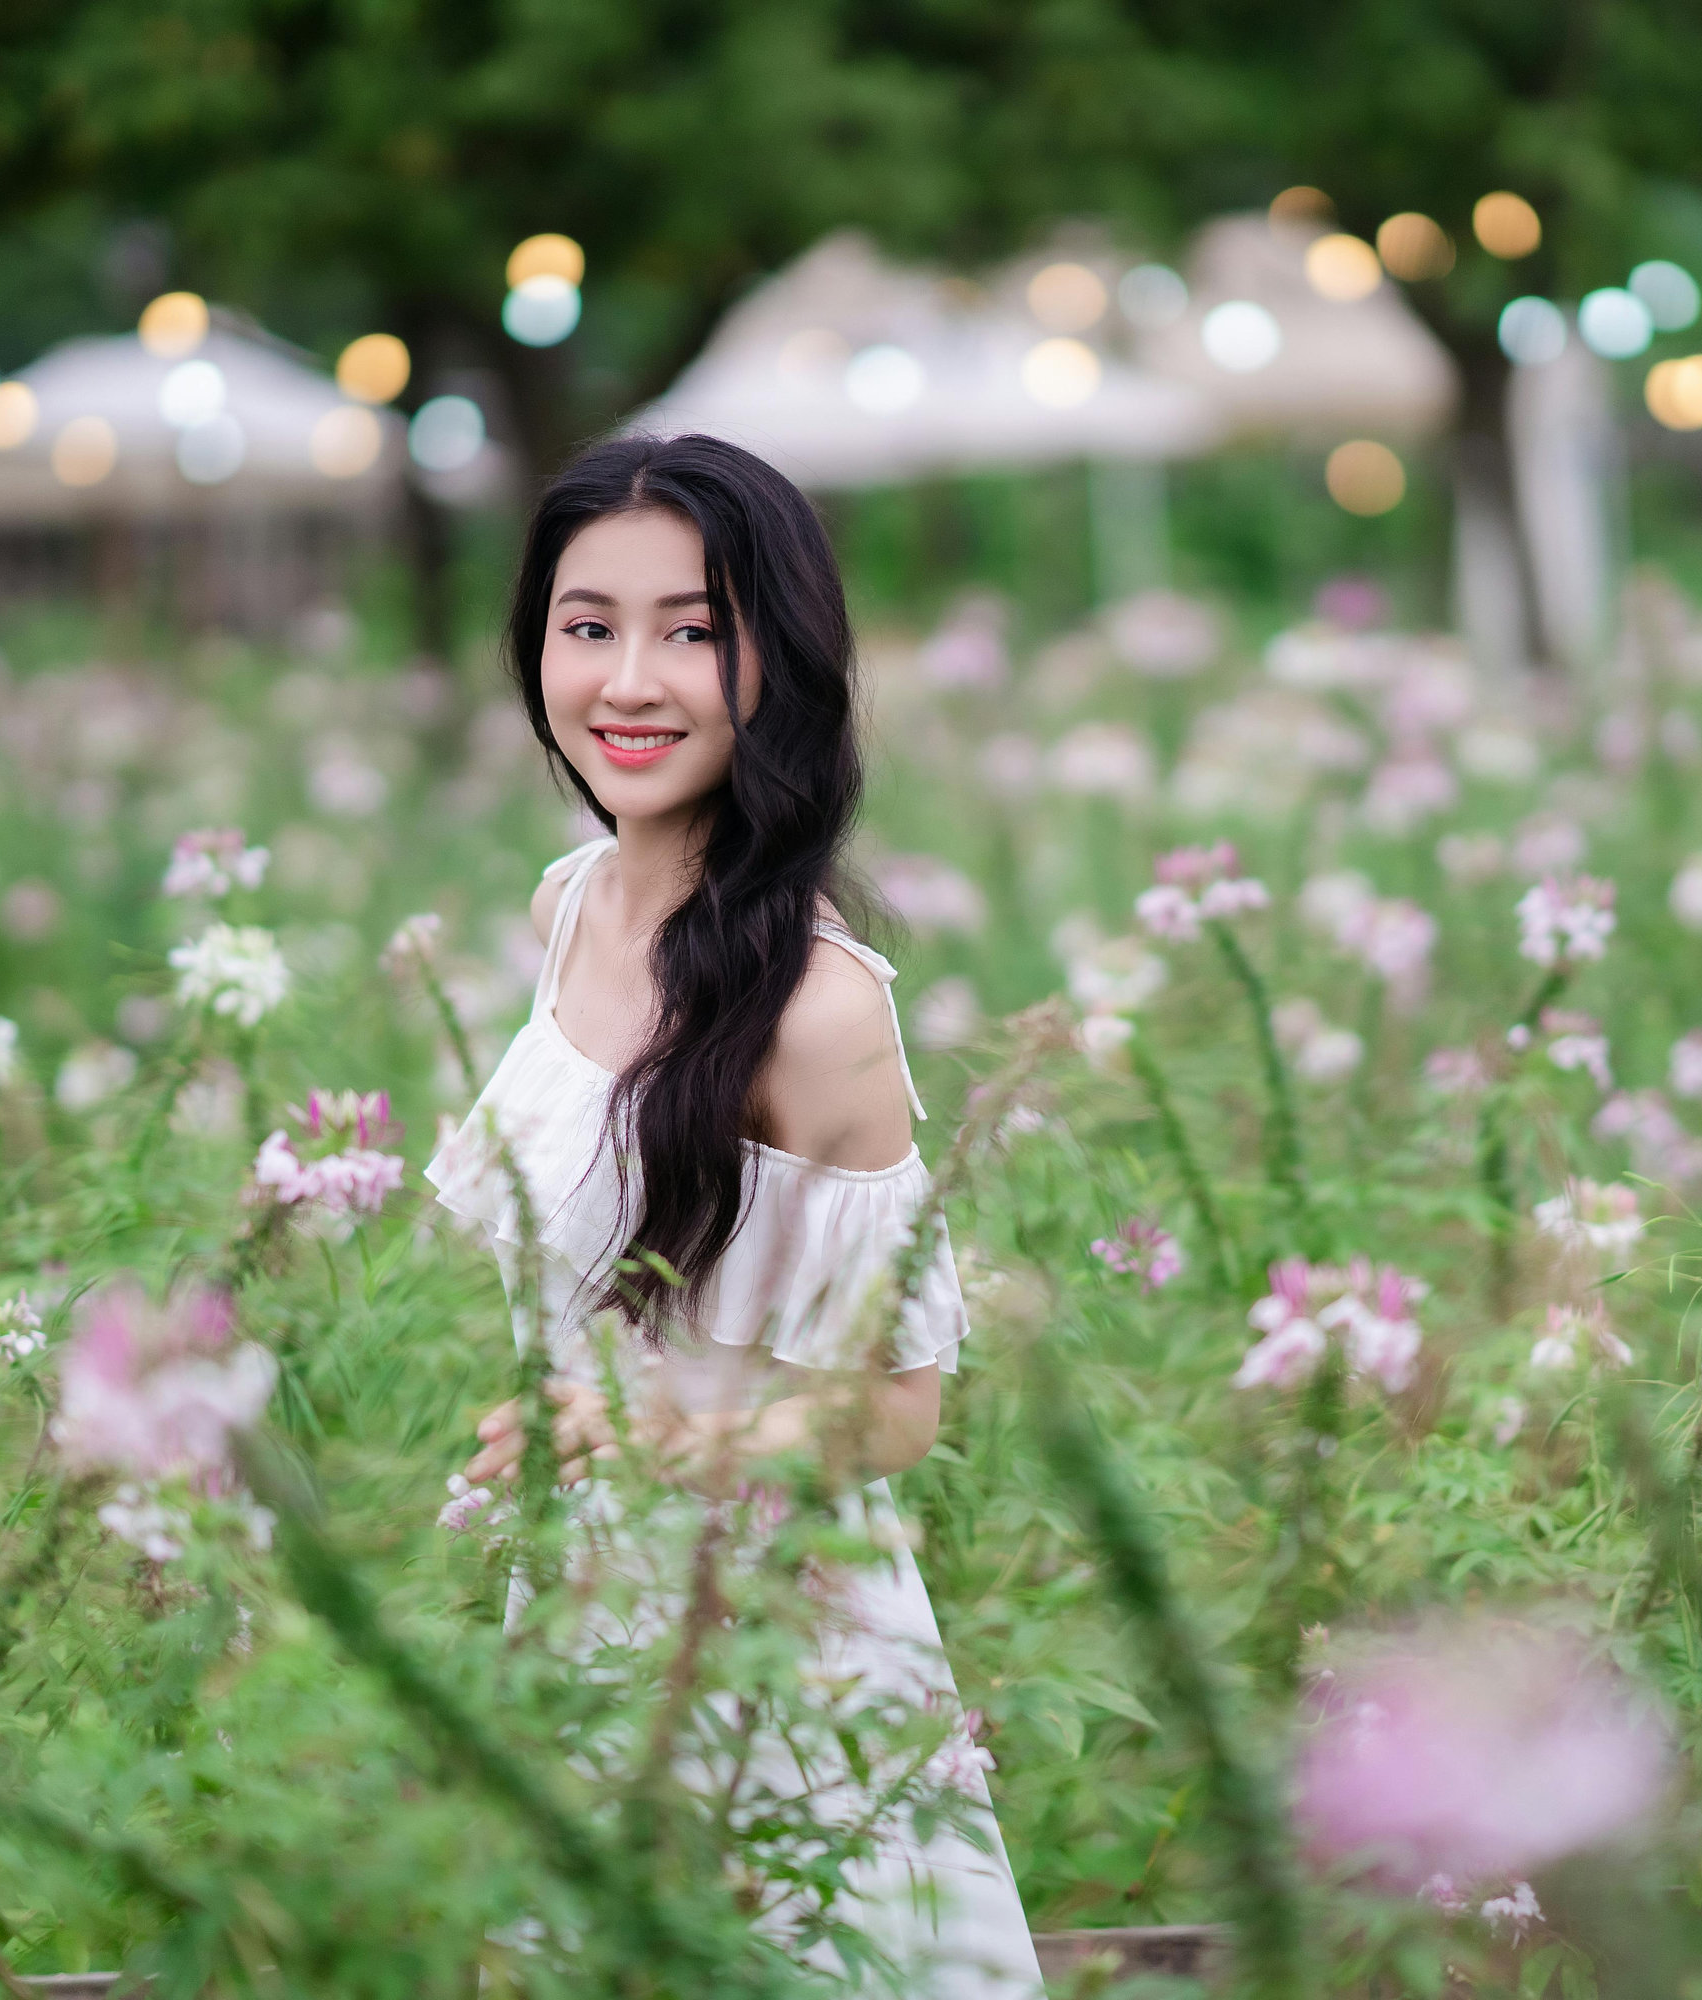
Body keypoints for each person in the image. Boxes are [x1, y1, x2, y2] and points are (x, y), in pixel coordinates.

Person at [424, 433, 1044, 1997]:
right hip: (577, 1606)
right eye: (588, 627)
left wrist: (655, 1446)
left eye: (692, 630)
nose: (630, 679)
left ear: (781, 660)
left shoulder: (822, 1012)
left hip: (777, 1642)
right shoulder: (573, 901)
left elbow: (900, 1411)